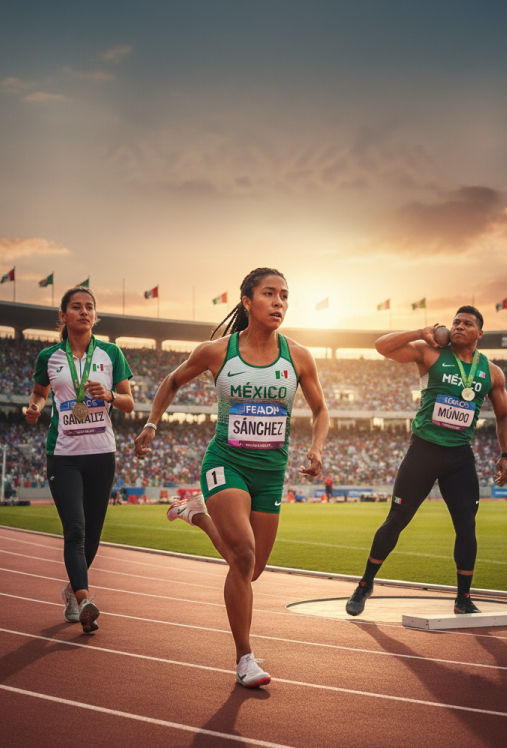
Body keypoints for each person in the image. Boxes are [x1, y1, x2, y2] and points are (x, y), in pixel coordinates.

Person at [134, 268, 329, 687]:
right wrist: (151, 423)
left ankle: (197, 514)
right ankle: (245, 658)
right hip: (227, 462)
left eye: (284, 296)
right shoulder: (216, 352)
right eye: (269, 294)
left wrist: (316, 448)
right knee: (241, 556)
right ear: (247, 302)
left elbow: (320, 410)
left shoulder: (299, 356)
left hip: (271, 471)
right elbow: (172, 381)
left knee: (253, 568)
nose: (279, 302)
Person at [346, 306, 507, 617]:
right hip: (423, 450)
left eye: (468, 324)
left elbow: (504, 414)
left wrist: (506, 454)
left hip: (459, 456)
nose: (459, 327)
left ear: (480, 333)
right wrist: (419, 332)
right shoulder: (432, 353)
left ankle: (463, 598)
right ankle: (365, 585)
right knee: (396, 520)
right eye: (456, 322)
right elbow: (382, 346)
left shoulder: (491, 372)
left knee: (467, 527)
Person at [25, 286, 134, 633]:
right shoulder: (49, 357)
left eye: (89, 307)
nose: (83, 312)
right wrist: (34, 408)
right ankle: (86, 599)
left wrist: (112, 395)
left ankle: (71, 592)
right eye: (76, 307)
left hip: (102, 453)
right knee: (75, 529)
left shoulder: (111, 353)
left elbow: (130, 403)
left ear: (95, 316)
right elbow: (40, 393)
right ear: (63, 316)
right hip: (64, 455)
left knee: (93, 536)